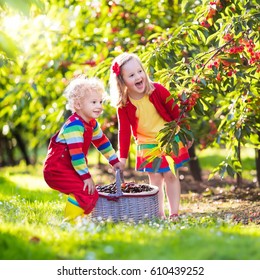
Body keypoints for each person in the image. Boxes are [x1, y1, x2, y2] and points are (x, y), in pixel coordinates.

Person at [109, 52, 192, 220]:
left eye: (140, 71)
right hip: (147, 143)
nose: (138, 77)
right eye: (131, 75)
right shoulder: (123, 104)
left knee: (170, 174)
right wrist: (122, 157)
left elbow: (176, 112)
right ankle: (159, 213)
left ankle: (174, 213)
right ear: (122, 81)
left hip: (168, 139)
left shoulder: (157, 90)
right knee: (154, 178)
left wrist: (185, 133)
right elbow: (124, 131)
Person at [43, 76, 123, 221]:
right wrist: (86, 177)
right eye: (93, 102)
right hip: (57, 170)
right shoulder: (74, 126)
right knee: (85, 190)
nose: (99, 106)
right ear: (78, 105)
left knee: (88, 191)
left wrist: (114, 160)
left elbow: (102, 142)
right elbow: (77, 155)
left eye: (100, 102)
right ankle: (70, 221)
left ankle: (79, 219)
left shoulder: (92, 124)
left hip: (69, 167)